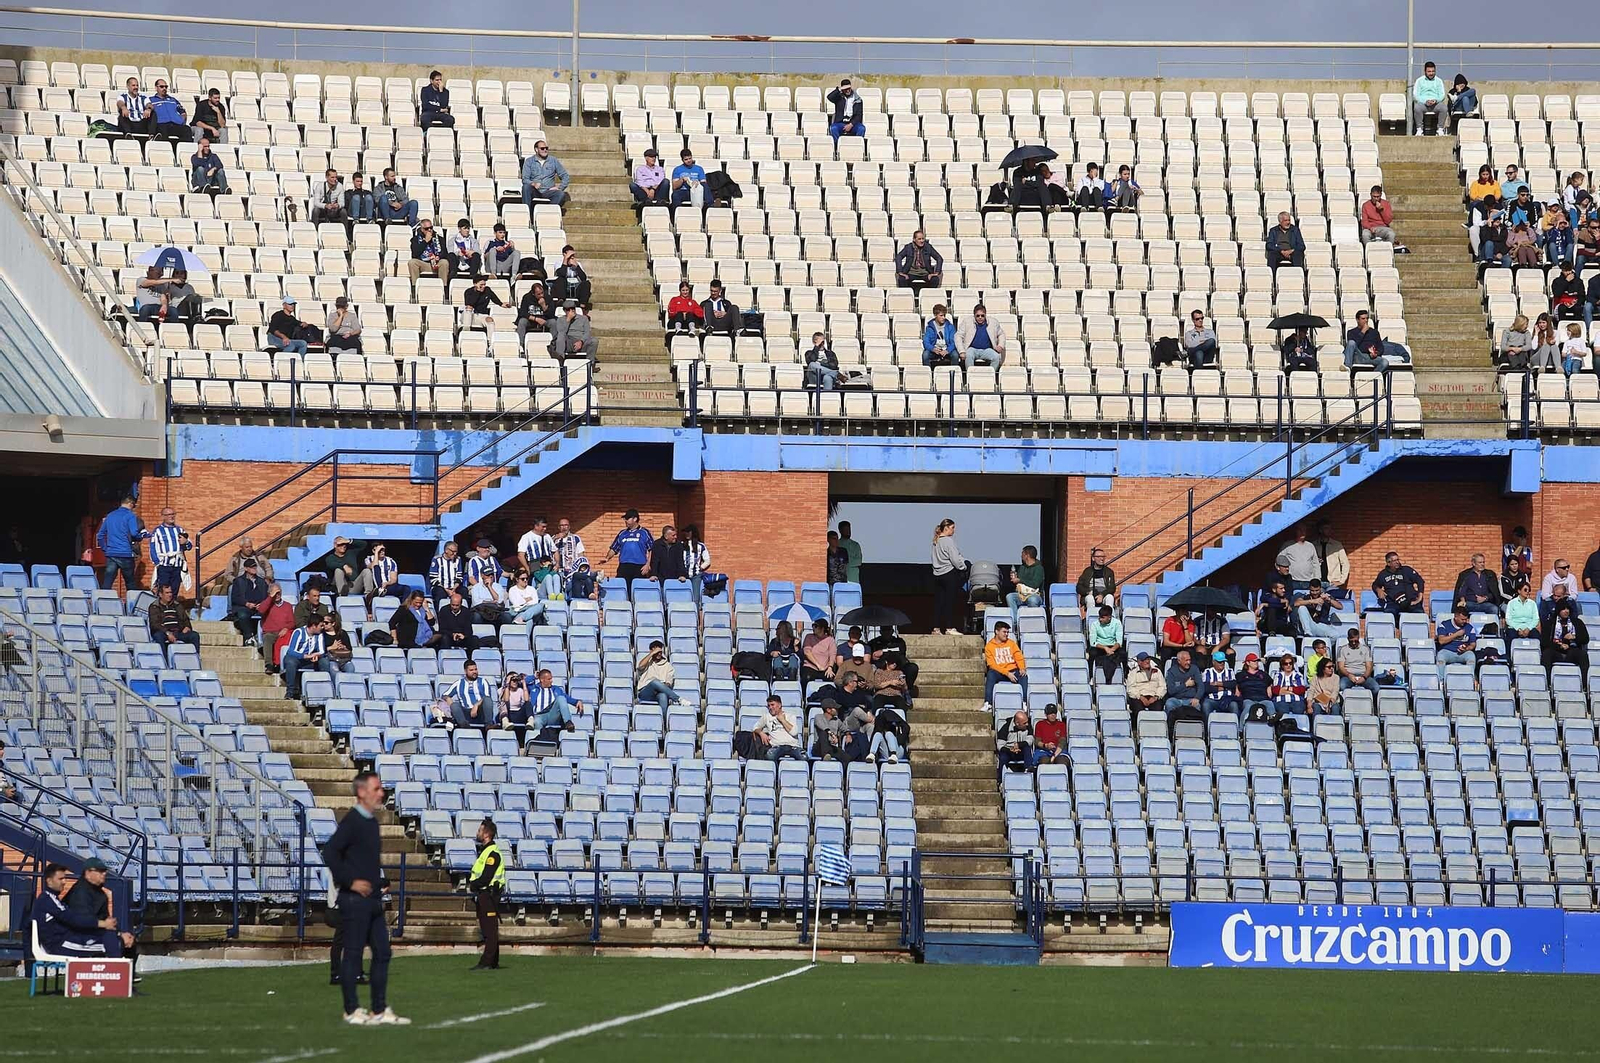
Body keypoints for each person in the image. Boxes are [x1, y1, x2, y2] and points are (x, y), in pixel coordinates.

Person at [323, 770, 406, 1026]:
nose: (381, 793)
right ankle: (351, 1010)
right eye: (377, 788)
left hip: (372, 901)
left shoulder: (371, 822)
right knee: (354, 954)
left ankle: (379, 1010)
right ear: (362, 792)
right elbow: (330, 852)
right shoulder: (352, 822)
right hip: (354, 900)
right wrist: (349, 881)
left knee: (383, 952)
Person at [32, 861, 130, 961]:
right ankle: (118, 974)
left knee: (113, 937)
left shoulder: (54, 899)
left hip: (68, 939)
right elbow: (74, 919)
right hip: (60, 944)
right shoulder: (48, 899)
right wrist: (102, 924)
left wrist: (116, 931)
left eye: (64, 878)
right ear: (49, 881)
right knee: (114, 942)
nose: (64, 882)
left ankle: (116, 973)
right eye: (60, 879)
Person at [59, 859, 138, 964]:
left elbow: (106, 919)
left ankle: (128, 975)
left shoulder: (100, 894)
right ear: (88, 873)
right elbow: (83, 921)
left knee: (128, 939)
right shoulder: (80, 893)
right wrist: (118, 935)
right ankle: (115, 975)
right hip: (73, 936)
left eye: (104, 871)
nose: (104, 874)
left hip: (91, 932)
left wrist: (120, 933)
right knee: (116, 942)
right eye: (100, 871)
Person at [95, 495, 145, 592]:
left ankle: (103, 603)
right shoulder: (130, 516)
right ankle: (132, 605)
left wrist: (105, 548)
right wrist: (141, 536)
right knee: (130, 582)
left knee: (107, 581)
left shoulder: (110, 516)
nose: (133, 508)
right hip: (125, 553)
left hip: (112, 553)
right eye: (133, 506)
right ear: (130, 504)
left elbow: (100, 535)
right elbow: (134, 533)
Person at [930, 518, 969, 636]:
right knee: (950, 601)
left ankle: (936, 628)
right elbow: (955, 559)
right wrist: (964, 566)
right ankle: (949, 627)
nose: (954, 531)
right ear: (946, 528)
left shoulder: (935, 542)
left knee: (939, 602)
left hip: (937, 574)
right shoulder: (948, 541)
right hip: (949, 574)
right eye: (952, 528)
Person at [1342, 310, 1410, 372]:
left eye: (1367, 318)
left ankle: (1372, 377)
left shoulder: (1374, 332)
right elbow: (1352, 346)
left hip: (1369, 357)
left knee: (1385, 362)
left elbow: (1381, 347)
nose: (1365, 321)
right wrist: (1362, 332)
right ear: (1357, 320)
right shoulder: (1351, 332)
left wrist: (1376, 353)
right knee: (1351, 342)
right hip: (1357, 356)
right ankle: (1347, 368)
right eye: (1363, 319)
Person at [282, 615, 332, 699]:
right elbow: (291, 651)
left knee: (324, 662)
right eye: (321, 625)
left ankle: (323, 690)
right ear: (313, 626)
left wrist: (316, 655)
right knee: (290, 662)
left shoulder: (319, 635)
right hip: (297, 658)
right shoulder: (299, 632)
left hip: (310, 660)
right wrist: (305, 656)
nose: (322, 628)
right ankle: (290, 691)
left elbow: (322, 651)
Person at [145, 507, 192, 596]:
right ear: (163, 516)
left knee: (175, 589)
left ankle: (172, 608)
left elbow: (189, 546)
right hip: (164, 565)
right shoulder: (157, 531)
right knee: (163, 589)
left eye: (173, 514)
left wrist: (185, 542)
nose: (171, 516)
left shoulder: (180, 530)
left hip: (177, 565)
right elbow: (152, 547)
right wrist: (157, 563)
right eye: (168, 515)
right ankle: (162, 608)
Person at [983, 621, 1027, 708]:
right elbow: (992, 665)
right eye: (1004, 632)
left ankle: (1023, 702)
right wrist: (1007, 673)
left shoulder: (1011, 643)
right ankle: (988, 703)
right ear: (996, 631)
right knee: (991, 674)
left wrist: (1022, 668)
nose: (1006, 634)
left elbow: (1019, 657)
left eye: (1007, 632)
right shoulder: (989, 646)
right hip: (999, 672)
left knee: (1024, 676)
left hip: (1013, 670)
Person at [603, 509, 654, 583]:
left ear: (635, 519)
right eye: (625, 519)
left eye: (627, 518)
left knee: (637, 590)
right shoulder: (622, 533)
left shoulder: (644, 532)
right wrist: (607, 558)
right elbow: (614, 548)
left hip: (639, 566)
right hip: (624, 566)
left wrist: (648, 565)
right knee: (622, 588)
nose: (625, 521)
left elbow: (652, 549)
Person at [228, 559, 270, 645]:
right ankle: (249, 637)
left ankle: (263, 638)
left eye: (255, 567)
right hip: (244, 607)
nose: (254, 568)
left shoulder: (261, 582)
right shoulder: (238, 581)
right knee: (243, 615)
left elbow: (266, 597)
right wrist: (247, 604)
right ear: (246, 568)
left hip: (258, 607)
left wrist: (261, 605)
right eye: (252, 567)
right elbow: (235, 598)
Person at [529, 668, 584, 732]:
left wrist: (577, 701)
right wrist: (534, 676)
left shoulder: (556, 689)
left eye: (551, 678)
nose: (551, 681)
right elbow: (523, 682)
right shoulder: (533, 688)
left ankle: (568, 722)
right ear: (542, 680)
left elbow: (566, 698)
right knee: (536, 722)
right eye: (549, 679)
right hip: (539, 715)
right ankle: (539, 739)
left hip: (552, 714)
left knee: (561, 698)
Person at [1372, 551, 1425, 617]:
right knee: (1388, 616)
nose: (1397, 562)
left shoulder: (1407, 570)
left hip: (1410, 601)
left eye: (1397, 559)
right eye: (1394, 560)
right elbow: (1375, 585)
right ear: (1388, 563)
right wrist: (1378, 590)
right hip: (1393, 603)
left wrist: (1420, 597)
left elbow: (1420, 581)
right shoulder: (1383, 574)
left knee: (1420, 615)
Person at [635, 640, 684, 711]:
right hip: (645, 692)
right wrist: (652, 654)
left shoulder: (668, 666)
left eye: (660, 652)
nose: (659, 654)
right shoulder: (647, 662)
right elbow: (640, 666)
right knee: (655, 682)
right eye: (657, 652)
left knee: (663, 696)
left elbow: (669, 683)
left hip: (659, 692)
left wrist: (661, 686)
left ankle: (663, 720)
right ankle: (678, 699)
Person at [521, 140, 570, 211]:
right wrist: (533, 184)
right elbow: (525, 179)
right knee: (526, 187)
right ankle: (526, 212)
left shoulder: (553, 160)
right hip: (535, 191)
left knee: (560, 194)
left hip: (548, 191)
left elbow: (565, 176)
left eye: (546, 148)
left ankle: (548, 212)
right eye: (542, 148)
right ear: (536, 149)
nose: (545, 150)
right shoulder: (529, 161)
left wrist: (560, 187)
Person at [955, 302, 1006, 370]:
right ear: (974, 315)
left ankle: (991, 376)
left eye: (982, 315)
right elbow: (958, 336)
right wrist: (962, 351)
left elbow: (1001, 334)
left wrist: (1000, 345)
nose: (980, 317)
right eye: (978, 315)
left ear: (985, 315)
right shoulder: (967, 322)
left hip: (987, 349)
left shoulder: (993, 322)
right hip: (972, 349)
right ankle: (970, 376)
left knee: (996, 357)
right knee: (968, 355)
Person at [1542, 601, 1590, 672]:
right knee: (1546, 654)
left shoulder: (1577, 622)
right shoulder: (1550, 623)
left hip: (1572, 650)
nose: (1566, 611)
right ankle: (1547, 681)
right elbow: (1544, 642)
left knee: (1583, 655)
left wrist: (1574, 637)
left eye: (1568, 609)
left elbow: (1586, 639)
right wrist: (1560, 646)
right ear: (1558, 610)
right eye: (1563, 609)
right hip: (1556, 650)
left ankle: (1584, 682)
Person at [148, 583, 200, 648]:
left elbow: (185, 619)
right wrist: (167, 633)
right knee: (158, 636)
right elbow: (154, 624)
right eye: (167, 593)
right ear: (160, 594)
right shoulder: (154, 607)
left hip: (178, 632)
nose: (170, 595)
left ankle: (195, 657)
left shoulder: (177, 605)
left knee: (194, 635)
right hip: (163, 632)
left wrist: (187, 627)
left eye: (171, 592)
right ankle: (164, 657)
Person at [1006, 545, 1045, 628]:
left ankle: (1032, 623)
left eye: (1022, 554)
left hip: (1035, 594)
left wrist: (1020, 580)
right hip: (1022, 594)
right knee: (1010, 597)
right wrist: (1016, 580)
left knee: (1032, 599)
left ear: (1027, 555)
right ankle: (1016, 623)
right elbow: (1019, 584)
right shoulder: (1022, 568)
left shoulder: (1039, 568)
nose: (1021, 556)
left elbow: (1035, 584)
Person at [1435, 606, 1478, 680]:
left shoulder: (1469, 628)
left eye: (1466, 619)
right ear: (1456, 617)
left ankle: (1470, 680)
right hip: (1447, 651)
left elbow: (1473, 644)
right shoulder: (1445, 625)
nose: (1464, 621)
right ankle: (1441, 681)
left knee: (1471, 656)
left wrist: (1466, 649)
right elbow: (1441, 641)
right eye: (1462, 619)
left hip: (1463, 653)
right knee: (1440, 656)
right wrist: (1456, 635)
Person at [756, 696, 805, 761]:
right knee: (769, 756)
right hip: (777, 746)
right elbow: (755, 727)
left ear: (779, 705)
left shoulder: (790, 716)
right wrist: (761, 733)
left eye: (772, 705)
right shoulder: (767, 717)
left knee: (804, 757)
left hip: (793, 746)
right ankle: (776, 770)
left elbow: (794, 732)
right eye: (769, 706)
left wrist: (782, 720)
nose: (770, 707)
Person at [1163, 648, 1205, 722]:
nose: (1188, 662)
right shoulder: (1172, 672)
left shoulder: (1194, 669)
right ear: (1179, 661)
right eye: (1186, 660)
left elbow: (1201, 686)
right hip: (1176, 700)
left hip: (1191, 699)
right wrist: (1185, 685)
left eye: (1189, 660)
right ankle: (1170, 728)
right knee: (1169, 703)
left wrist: (1197, 698)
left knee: (1197, 705)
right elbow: (1171, 691)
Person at [1087, 605, 1125, 685]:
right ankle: (1091, 676)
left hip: (1113, 646)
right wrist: (1105, 648)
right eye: (1100, 617)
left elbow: (1119, 641)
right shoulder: (1094, 624)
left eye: (1103, 617)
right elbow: (1093, 642)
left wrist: (1112, 649)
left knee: (1123, 654)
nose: (1100, 619)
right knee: (1092, 653)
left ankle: (1125, 676)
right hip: (1100, 646)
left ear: (1109, 617)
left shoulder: (1117, 623)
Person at [1075, 547, 1116, 617]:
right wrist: (1088, 592)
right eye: (1099, 556)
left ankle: (1109, 619)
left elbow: (1112, 588)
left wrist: (1102, 595)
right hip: (1090, 594)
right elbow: (1079, 587)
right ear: (1093, 558)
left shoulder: (1109, 572)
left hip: (1104, 595)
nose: (1102, 559)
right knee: (1090, 598)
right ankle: (1091, 621)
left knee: (1110, 597)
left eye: (1103, 556)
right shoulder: (1087, 571)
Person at [408, 219, 451, 284]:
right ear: (422, 229)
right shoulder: (415, 239)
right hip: (423, 263)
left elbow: (444, 253)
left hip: (437, 263)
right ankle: (415, 286)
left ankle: (444, 287)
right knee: (412, 262)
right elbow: (415, 254)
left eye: (431, 228)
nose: (429, 230)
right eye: (426, 228)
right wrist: (425, 242)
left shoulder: (439, 239)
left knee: (444, 262)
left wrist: (438, 257)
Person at [516, 281, 554, 351]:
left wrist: (544, 306)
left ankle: (554, 345)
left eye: (542, 293)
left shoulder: (548, 297)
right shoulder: (527, 297)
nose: (541, 295)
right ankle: (520, 345)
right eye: (538, 294)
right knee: (522, 321)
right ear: (533, 294)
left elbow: (551, 314)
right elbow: (523, 313)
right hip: (531, 320)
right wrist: (536, 319)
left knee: (553, 322)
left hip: (544, 319)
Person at [1126, 651, 1167, 717]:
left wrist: (1156, 697)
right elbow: (1130, 688)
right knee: (1138, 709)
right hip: (1139, 697)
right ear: (1139, 662)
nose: (1147, 661)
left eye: (1148, 659)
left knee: (1157, 709)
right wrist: (1140, 697)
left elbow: (1163, 686)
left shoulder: (1157, 671)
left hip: (1154, 696)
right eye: (1144, 660)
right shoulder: (1133, 673)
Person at [1412, 60, 1447, 134]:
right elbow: (1415, 95)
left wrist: (1435, 100)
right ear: (1425, 71)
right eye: (1429, 71)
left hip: (1435, 104)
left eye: (1433, 71)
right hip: (1423, 104)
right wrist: (1425, 101)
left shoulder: (1439, 81)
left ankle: (1440, 129)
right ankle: (1419, 129)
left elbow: (1442, 95)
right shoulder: (1419, 81)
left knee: (1444, 108)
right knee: (1417, 107)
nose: (1431, 73)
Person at [826, 78, 865, 143]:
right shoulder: (838, 97)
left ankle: (857, 146)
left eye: (849, 88)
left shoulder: (857, 99)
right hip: (840, 123)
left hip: (853, 123)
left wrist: (851, 124)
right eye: (845, 89)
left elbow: (859, 115)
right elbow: (829, 97)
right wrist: (839, 89)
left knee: (861, 128)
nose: (848, 91)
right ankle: (837, 147)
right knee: (833, 128)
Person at [801, 618, 837, 686]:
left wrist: (830, 667)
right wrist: (818, 665)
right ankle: (804, 695)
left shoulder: (830, 640)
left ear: (822, 628)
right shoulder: (809, 637)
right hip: (811, 666)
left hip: (825, 668)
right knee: (807, 678)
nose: (813, 628)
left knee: (830, 678)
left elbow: (832, 654)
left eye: (816, 626)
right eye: (813, 625)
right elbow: (807, 652)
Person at [836, 521, 863, 585]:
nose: (848, 531)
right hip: (840, 579)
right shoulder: (837, 544)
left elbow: (859, 561)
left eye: (849, 529)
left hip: (853, 579)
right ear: (840, 530)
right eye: (846, 529)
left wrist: (845, 561)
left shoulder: (855, 545)